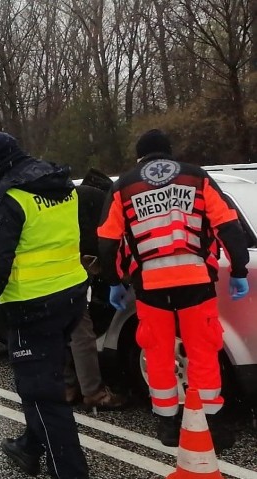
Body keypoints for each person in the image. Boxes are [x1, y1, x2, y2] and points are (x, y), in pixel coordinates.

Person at [97, 129, 250, 450]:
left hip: (151, 288)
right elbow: (228, 225)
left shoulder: (123, 186)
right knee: (203, 352)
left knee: (158, 354)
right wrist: (237, 269)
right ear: (169, 153)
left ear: (140, 157)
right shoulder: (196, 178)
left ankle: (167, 425)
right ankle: (214, 426)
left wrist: (113, 281)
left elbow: (108, 241)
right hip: (196, 283)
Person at [0, 132, 89, 478]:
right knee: (44, 379)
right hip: (72, 297)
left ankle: (71, 472)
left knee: (41, 395)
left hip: (33, 307)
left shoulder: (9, 198)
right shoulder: (59, 185)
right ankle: (30, 447)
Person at [65, 170, 128, 410]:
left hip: (51, 276)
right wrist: (111, 276)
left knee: (61, 332)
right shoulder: (96, 198)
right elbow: (107, 238)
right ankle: (93, 392)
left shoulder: (53, 201)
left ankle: (67, 388)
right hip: (76, 270)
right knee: (81, 332)